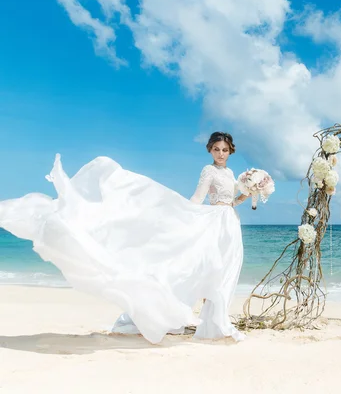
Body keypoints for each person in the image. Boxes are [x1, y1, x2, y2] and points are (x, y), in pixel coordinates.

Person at [0, 132, 249, 344]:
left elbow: (229, 201)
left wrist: (247, 194)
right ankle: (209, 324)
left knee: (224, 271)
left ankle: (215, 322)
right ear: (210, 150)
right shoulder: (209, 171)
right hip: (214, 221)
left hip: (229, 221)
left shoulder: (231, 174)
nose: (220, 153)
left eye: (225, 150)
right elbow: (198, 198)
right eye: (216, 149)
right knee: (208, 268)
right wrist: (179, 213)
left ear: (231, 151)